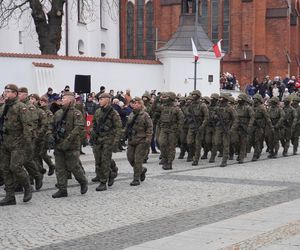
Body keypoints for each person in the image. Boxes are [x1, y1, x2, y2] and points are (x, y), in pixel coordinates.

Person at [0, 84, 33, 206]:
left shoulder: (21, 107)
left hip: (17, 142)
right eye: (5, 91)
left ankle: (27, 187)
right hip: (4, 142)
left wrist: (27, 143)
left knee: (15, 167)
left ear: (15, 93)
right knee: (5, 169)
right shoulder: (4, 107)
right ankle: (10, 197)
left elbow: (28, 126)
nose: (5, 93)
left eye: (8, 91)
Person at [51, 91, 88, 198]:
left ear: (71, 100)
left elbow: (78, 127)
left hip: (71, 145)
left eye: (64, 98)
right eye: (62, 98)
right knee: (60, 168)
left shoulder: (76, 113)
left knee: (74, 167)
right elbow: (51, 125)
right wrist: (49, 135)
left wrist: (67, 141)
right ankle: (62, 189)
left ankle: (83, 181)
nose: (62, 100)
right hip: (59, 144)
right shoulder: (58, 113)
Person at [90, 93, 122, 191]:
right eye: (99, 99)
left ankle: (103, 182)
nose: (99, 101)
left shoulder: (113, 113)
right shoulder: (98, 111)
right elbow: (94, 124)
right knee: (98, 160)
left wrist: (116, 141)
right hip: (98, 139)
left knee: (104, 160)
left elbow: (118, 128)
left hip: (108, 139)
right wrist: (92, 133)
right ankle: (111, 173)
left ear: (108, 100)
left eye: (101, 99)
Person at [126, 97, 153, 186]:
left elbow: (149, 128)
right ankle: (142, 170)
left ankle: (136, 178)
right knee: (130, 158)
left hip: (141, 140)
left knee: (138, 160)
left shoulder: (145, 115)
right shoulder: (131, 114)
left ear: (141, 104)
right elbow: (127, 127)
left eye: (137, 103)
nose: (135, 104)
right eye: (134, 103)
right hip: (132, 140)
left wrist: (147, 140)